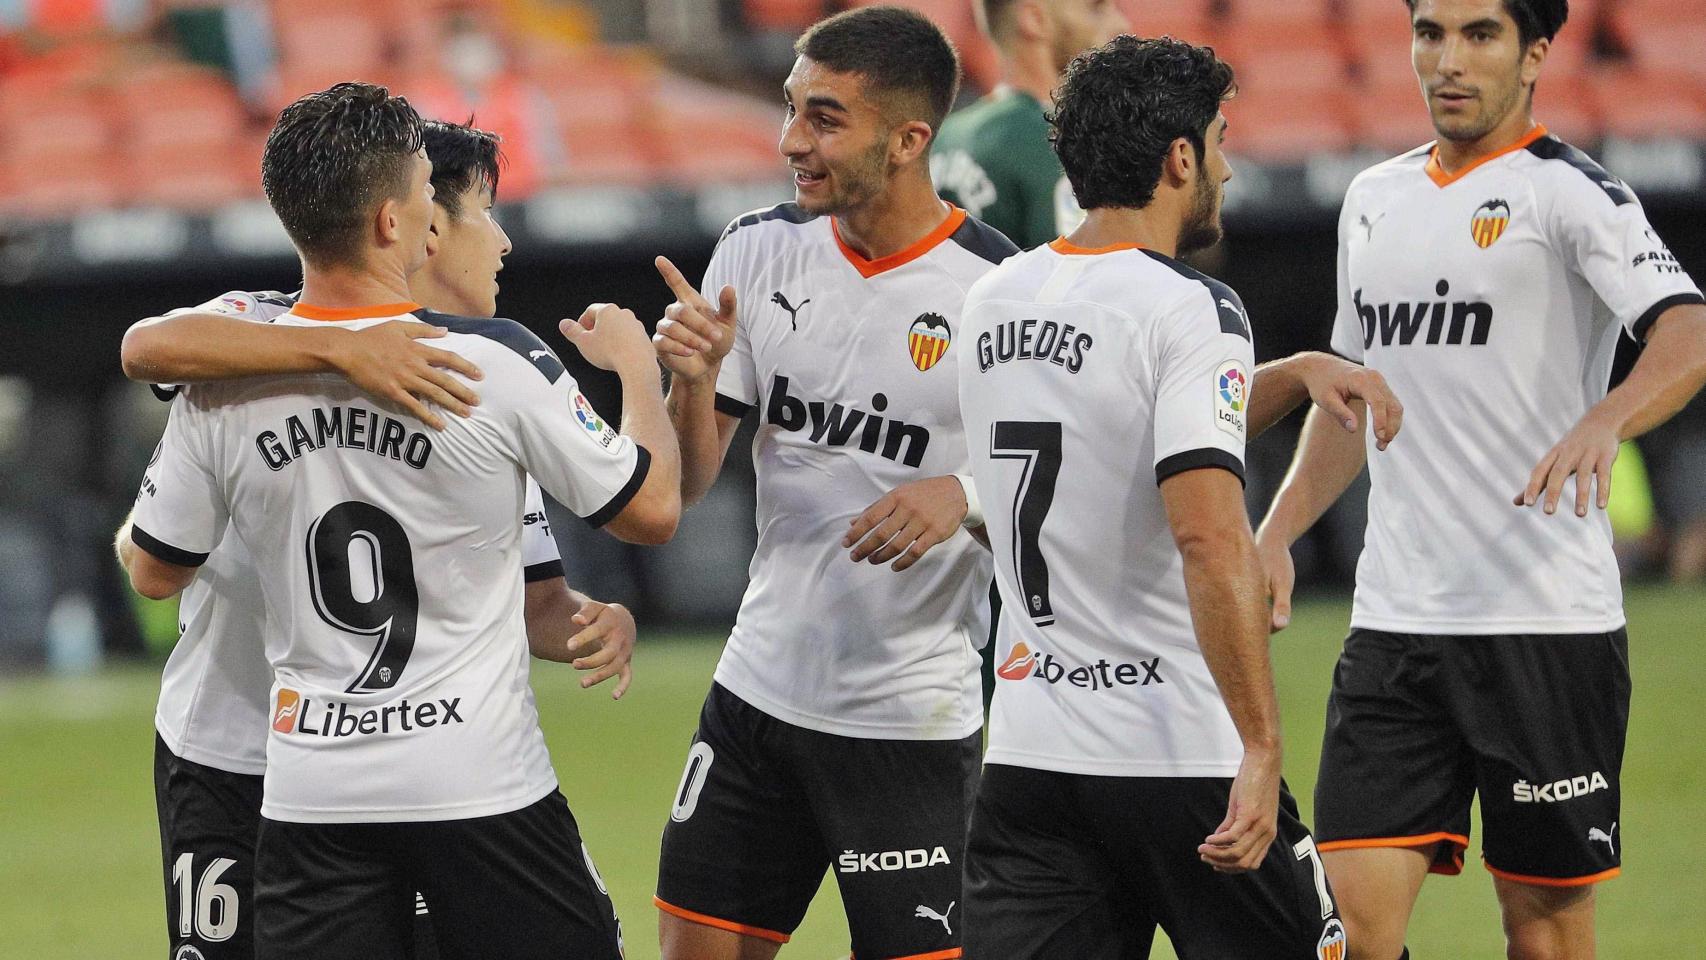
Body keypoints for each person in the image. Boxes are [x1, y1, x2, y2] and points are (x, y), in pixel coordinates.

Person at [116, 83, 680, 959]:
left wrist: (582, 622)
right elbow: (651, 508)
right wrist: (641, 371)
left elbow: (153, 564)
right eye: (469, 208)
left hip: (313, 774)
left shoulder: (224, 387)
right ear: (404, 225)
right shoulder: (493, 369)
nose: (499, 237)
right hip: (315, 757)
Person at [1253, 2, 1706, 958]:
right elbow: (1355, 396)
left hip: (1542, 626)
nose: (1447, 60)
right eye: (1430, 33)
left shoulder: (1573, 195)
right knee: (1349, 935)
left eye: (1481, 34)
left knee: (1543, 935)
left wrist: (1606, 418)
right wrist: (1276, 531)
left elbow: (1687, 329)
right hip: (1396, 625)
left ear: (1537, 53)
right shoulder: (1371, 196)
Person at [956, 35, 1372, 959]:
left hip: (1032, 758)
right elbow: (1209, 539)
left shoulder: (993, 299)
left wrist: (1296, 374)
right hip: (1178, 753)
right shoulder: (1191, 307)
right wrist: (1260, 748)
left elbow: (1094, 447)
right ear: (1180, 158)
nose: (1225, 164)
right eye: (1218, 141)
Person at [648, 9, 1016, 959]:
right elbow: (689, 484)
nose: (790, 142)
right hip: (758, 692)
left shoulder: (1000, 292)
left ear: (908, 139)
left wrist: (964, 496)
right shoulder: (755, 248)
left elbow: (1064, 506)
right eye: (790, 111)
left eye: (823, 119)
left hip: (908, 719)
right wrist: (689, 381)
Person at [932, 0, 1127, 249]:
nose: (1120, 24)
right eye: (1096, 8)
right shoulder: (1064, 141)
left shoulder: (942, 135)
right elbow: (1080, 273)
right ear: (1035, 19)